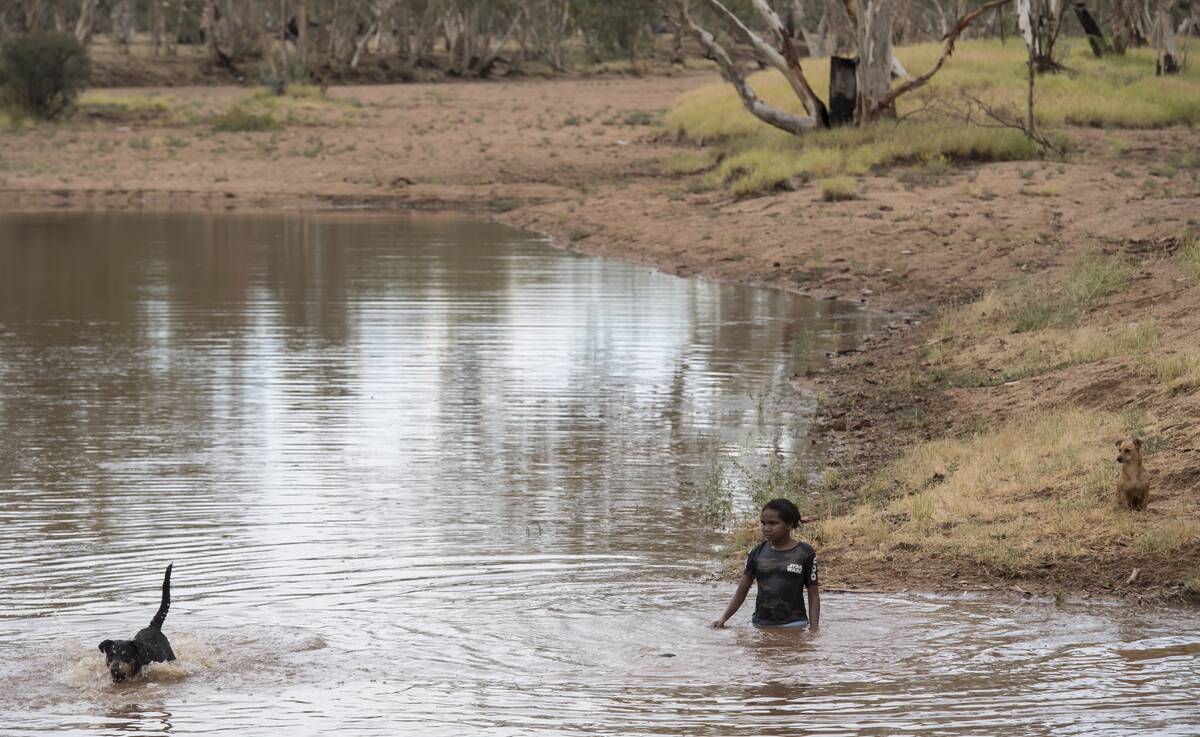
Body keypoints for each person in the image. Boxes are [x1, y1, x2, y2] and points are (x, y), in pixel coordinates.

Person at [711, 498, 820, 629]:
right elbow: (741, 592)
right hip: (760, 625)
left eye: (773, 523)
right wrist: (723, 619)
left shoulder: (805, 553)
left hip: (794, 625)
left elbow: (813, 595)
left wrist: (814, 629)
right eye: (763, 523)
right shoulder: (756, 552)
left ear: (789, 524)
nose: (766, 528)